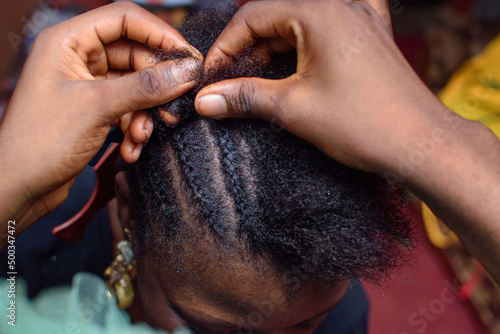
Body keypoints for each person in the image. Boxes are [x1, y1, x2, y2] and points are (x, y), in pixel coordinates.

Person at [0, 1, 499, 331]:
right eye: (216, 331)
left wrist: (423, 137)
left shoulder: (342, 315)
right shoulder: (25, 240)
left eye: (305, 327)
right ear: (127, 209)